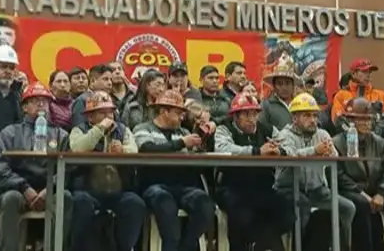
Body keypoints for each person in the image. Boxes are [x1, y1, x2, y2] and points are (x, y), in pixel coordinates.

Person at [0, 82, 73, 251]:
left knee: (65, 197)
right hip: (18, 190)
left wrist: (50, 188)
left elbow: (68, 169)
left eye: (45, 101)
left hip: (49, 190)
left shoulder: (61, 134)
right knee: (10, 199)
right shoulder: (10, 132)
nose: (41, 104)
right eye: (35, 101)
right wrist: (24, 187)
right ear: (24, 107)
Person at [274, 93, 356, 251]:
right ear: (295, 118)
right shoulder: (283, 135)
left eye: (315, 115)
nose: (313, 120)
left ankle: (342, 247)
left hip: (317, 190)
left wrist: (329, 152)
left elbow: (335, 158)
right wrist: (314, 151)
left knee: (348, 207)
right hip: (288, 190)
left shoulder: (322, 134)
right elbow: (289, 156)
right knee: (302, 207)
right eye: (306, 115)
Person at [134, 90, 215, 251]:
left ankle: (186, 246)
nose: (182, 118)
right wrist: (181, 144)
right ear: (164, 111)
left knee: (205, 204)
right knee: (165, 203)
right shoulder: (143, 129)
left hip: (184, 187)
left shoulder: (184, 133)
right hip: (154, 186)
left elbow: (199, 159)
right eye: (178, 113)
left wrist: (206, 138)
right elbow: (147, 149)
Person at [334, 98, 384, 251]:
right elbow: (339, 175)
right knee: (362, 204)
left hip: (376, 190)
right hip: (352, 191)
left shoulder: (379, 142)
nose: (367, 123)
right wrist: (363, 194)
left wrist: (381, 193)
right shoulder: (337, 142)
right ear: (350, 121)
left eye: (369, 119)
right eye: (361, 120)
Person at [69, 91, 146, 251]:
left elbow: (134, 150)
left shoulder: (123, 130)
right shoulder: (79, 130)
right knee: (80, 203)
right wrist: (100, 129)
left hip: (119, 191)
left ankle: (125, 247)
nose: (108, 117)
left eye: (110, 112)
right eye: (102, 113)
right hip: (87, 190)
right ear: (90, 117)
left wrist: (122, 150)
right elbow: (78, 148)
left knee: (135, 203)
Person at [215, 92, 292, 251]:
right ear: (235, 116)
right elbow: (223, 149)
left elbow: (290, 145)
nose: (251, 119)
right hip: (232, 187)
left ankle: (259, 245)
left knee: (288, 214)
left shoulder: (268, 129)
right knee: (242, 216)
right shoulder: (224, 128)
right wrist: (257, 151)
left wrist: (280, 151)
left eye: (254, 114)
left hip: (263, 187)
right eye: (246, 114)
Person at [259, 63, 300, 130]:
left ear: (293, 85)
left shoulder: (300, 104)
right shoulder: (266, 105)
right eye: (279, 84)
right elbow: (261, 129)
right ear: (274, 86)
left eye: (287, 83)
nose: (284, 87)